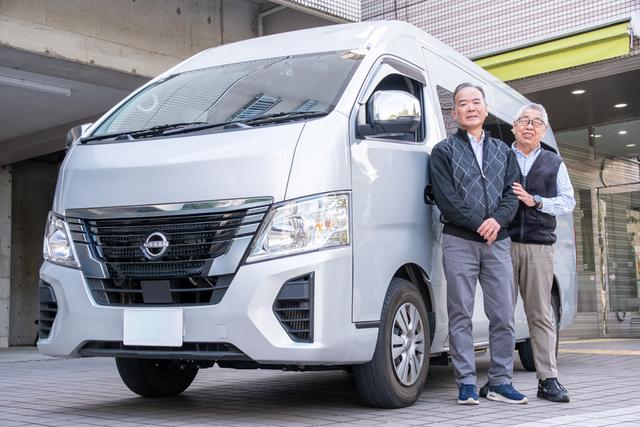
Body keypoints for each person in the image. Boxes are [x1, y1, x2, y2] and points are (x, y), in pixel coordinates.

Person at [430, 83, 526, 405]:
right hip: (459, 241)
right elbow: (446, 198)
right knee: (460, 314)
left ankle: (500, 381)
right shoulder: (443, 151)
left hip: (498, 241)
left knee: (503, 315)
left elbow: (513, 193)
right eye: (462, 103)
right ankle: (467, 383)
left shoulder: (504, 151)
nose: (470, 108)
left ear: (485, 109)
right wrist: (478, 223)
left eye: (475, 102)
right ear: (454, 112)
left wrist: (496, 221)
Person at [480, 103, 575, 403]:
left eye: (536, 122)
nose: (529, 126)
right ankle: (499, 379)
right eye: (524, 121)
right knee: (501, 314)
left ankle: (548, 380)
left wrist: (537, 201)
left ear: (543, 130)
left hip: (538, 246)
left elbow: (568, 201)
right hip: (502, 244)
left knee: (540, 314)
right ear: (513, 127)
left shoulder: (553, 162)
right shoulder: (498, 156)